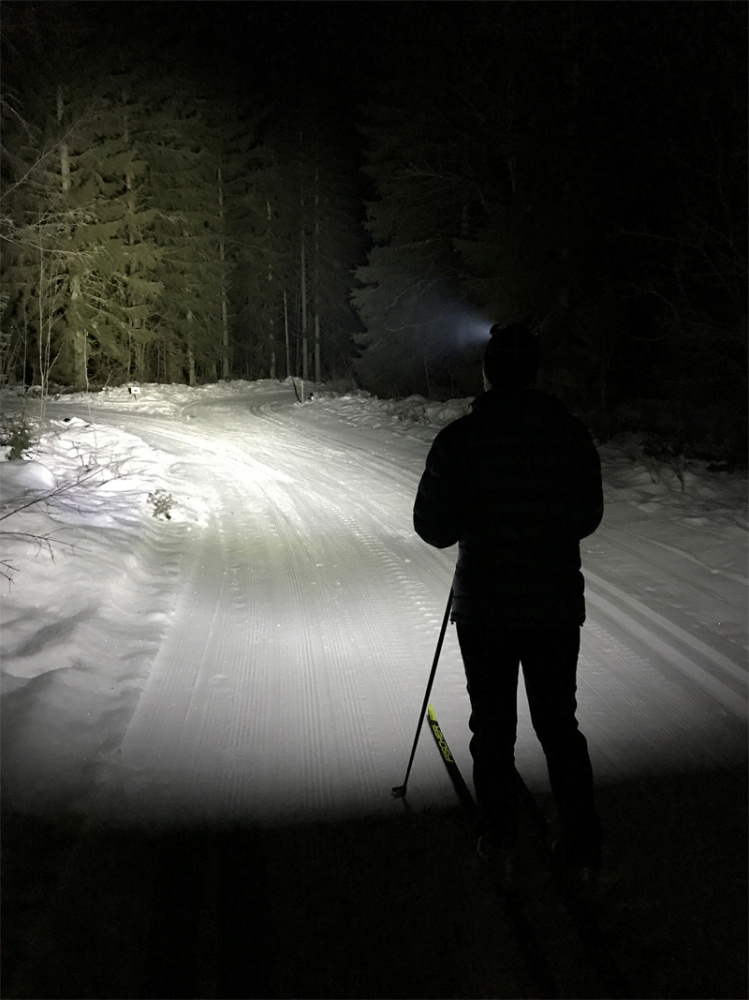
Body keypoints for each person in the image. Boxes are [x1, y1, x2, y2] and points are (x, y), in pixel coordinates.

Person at [413, 322, 604, 876]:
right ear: (534, 372)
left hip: (487, 606)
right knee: (558, 724)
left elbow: (433, 527)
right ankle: (583, 842)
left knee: (492, 728)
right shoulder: (569, 435)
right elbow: (586, 516)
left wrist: (481, 513)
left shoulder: (460, 441)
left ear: (490, 372)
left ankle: (499, 837)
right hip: (553, 605)